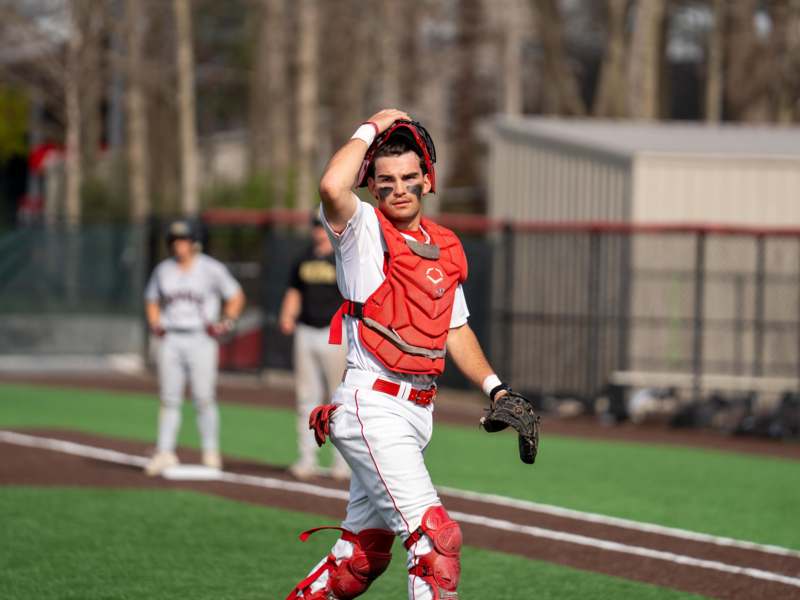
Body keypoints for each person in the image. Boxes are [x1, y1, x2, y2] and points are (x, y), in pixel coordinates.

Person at [284, 110, 517, 600]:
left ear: (428, 180)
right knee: (435, 542)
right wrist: (370, 128)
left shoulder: (445, 246)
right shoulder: (363, 230)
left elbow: (456, 329)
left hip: (416, 411)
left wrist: (495, 387)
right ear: (372, 187)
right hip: (374, 404)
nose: (399, 188)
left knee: (359, 561)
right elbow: (330, 186)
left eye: (410, 177)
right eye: (385, 181)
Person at [143, 220, 245, 476]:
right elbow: (152, 299)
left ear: (194, 242)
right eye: (175, 240)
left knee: (204, 397)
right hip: (171, 338)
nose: (178, 245)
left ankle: (211, 452)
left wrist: (227, 321)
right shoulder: (163, 270)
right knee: (169, 398)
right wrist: (155, 322)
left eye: (184, 239)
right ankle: (165, 451)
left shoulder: (211, 269)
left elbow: (235, 295)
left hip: (201, 337)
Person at [279, 216, 350, 480]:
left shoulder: (343, 257)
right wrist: (288, 315)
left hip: (335, 333)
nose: (320, 232)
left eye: (324, 227)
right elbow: (294, 290)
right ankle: (307, 458)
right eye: (317, 227)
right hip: (306, 330)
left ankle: (342, 463)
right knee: (306, 398)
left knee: (339, 400)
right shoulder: (304, 257)